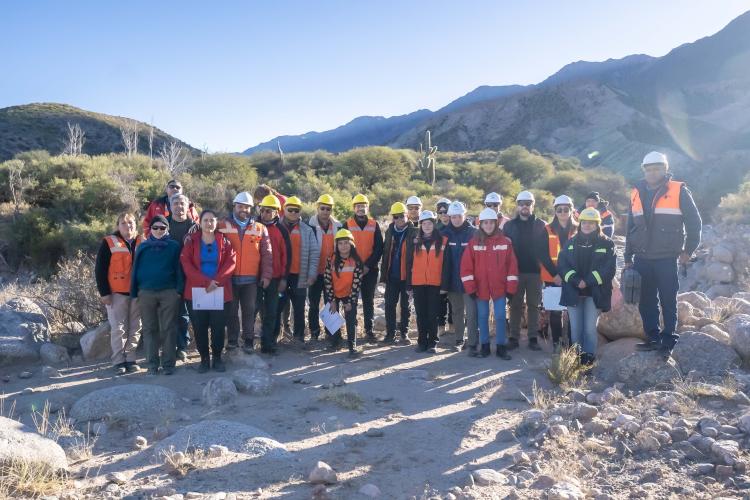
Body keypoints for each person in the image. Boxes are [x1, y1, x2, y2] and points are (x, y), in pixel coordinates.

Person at [625, 151, 702, 358]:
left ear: (665, 168)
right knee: (646, 300)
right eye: (648, 169)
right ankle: (653, 337)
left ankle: (668, 339)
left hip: (667, 257)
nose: (652, 172)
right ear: (644, 170)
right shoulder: (636, 192)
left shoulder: (679, 190)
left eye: (657, 168)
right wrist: (627, 257)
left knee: (668, 298)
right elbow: (630, 227)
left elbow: (695, 223)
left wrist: (688, 250)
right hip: (642, 257)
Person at [557, 208, 616, 366]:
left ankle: (588, 360)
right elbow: (562, 266)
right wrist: (577, 281)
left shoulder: (607, 243)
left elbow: (608, 270)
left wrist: (587, 281)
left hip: (594, 293)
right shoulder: (570, 243)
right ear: (580, 223)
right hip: (573, 292)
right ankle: (575, 359)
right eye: (584, 222)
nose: (587, 225)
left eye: (591, 223)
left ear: (597, 225)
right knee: (575, 330)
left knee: (589, 329)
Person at [181, 210, 237, 372]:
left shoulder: (224, 241)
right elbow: (186, 263)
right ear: (200, 223)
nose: (209, 223)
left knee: (218, 326)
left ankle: (217, 358)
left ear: (216, 222)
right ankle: (204, 359)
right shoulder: (192, 241)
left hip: (219, 291)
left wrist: (216, 281)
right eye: (205, 220)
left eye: (212, 220)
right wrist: (206, 282)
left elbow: (231, 263)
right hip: (197, 292)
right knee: (200, 327)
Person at [460, 208, 519, 359]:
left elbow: (512, 267)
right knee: (483, 316)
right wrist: (471, 288)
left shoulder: (505, 242)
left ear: (496, 223)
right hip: (480, 288)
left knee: (500, 316)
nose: (488, 225)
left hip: (500, 287)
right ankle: (484, 346)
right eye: (485, 223)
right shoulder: (473, 243)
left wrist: (511, 289)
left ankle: (501, 347)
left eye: (491, 223)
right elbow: (466, 268)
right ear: (480, 224)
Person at [131, 215, 184, 375]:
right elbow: (135, 270)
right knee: (149, 329)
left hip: (169, 292)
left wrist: (178, 290)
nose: (159, 230)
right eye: (156, 227)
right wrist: (134, 292)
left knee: (169, 328)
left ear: (167, 229)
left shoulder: (174, 246)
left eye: (162, 228)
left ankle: (168, 365)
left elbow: (179, 269)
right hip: (146, 292)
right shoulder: (143, 247)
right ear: (150, 229)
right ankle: (152, 365)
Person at [220, 192, 272, 353]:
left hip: (251, 280)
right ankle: (233, 340)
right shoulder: (222, 225)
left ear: (251, 208)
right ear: (234, 206)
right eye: (240, 206)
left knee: (249, 311)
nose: (243, 209)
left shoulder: (260, 228)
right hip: (229, 278)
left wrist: (266, 275)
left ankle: (248, 340)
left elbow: (267, 254)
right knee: (231, 312)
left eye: (247, 207)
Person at [503, 191, 553, 351]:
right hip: (514, 272)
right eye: (521, 203)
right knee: (515, 305)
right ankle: (514, 337)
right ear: (517, 205)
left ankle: (533, 338)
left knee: (534, 305)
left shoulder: (542, 225)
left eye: (528, 203)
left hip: (535, 273)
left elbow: (547, 250)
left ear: (533, 205)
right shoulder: (509, 226)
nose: (525, 206)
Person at [95, 212, 143, 375]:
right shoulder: (108, 242)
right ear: (117, 226)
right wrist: (104, 293)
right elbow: (100, 270)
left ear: (135, 225)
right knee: (118, 328)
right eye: (123, 223)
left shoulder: (142, 241)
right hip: (116, 293)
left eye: (131, 223)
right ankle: (118, 361)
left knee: (135, 327)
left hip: (137, 292)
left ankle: (131, 358)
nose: (128, 226)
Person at [406, 211, 451, 354]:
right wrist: (409, 284)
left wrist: (444, 285)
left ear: (434, 224)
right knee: (421, 314)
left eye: (429, 223)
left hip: (435, 283)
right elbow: (408, 263)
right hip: (418, 283)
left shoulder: (443, 241)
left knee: (433, 314)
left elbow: (446, 266)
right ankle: (421, 342)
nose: (426, 226)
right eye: (424, 223)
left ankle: (432, 343)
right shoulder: (414, 241)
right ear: (420, 225)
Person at [277, 196, 319, 344]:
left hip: (299, 275)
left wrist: (312, 274)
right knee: (278, 305)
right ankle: (277, 336)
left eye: (297, 210)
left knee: (299, 308)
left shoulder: (307, 230)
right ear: (284, 210)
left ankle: (298, 337)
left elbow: (314, 253)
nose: (294, 213)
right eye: (290, 210)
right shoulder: (276, 227)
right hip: (281, 276)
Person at [541, 195, 578, 353]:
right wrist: (556, 274)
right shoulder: (547, 229)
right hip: (552, 277)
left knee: (571, 312)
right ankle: (556, 343)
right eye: (559, 209)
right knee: (555, 312)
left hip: (573, 277)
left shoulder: (579, 229)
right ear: (555, 211)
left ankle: (569, 344)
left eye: (566, 209)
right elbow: (542, 254)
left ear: (571, 210)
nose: (563, 212)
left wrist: (570, 275)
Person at [256, 194, 291, 355]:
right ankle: (248, 342)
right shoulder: (253, 226)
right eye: (263, 210)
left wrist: (284, 278)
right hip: (255, 278)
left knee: (272, 311)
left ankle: (268, 344)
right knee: (253, 310)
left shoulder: (281, 230)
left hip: (276, 279)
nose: (265, 214)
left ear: (277, 212)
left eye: (269, 211)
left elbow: (287, 255)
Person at [346, 194, 383, 344]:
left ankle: (369, 330)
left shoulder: (374, 224)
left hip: (370, 270)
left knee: (368, 301)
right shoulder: (347, 224)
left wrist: (367, 266)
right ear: (354, 208)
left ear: (368, 208)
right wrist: (356, 266)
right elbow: (343, 247)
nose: (361, 208)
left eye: (364, 206)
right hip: (351, 270)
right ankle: (352, 330)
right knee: (352, 300)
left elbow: (379, 248)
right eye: (358, 206)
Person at [441, 201, 477, 350]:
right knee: (456, 312)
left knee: (472, 311)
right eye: (453, 217)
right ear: (450, 217)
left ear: (465, 215)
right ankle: (459, 340)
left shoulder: (474, 232)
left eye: (459, 216)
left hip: (470, 281)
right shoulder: (444, 233)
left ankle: (473, 341)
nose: (456, 219)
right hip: (452, 281)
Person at [323, 229, 364, 357]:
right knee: (331, 316)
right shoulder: (331, 259)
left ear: (351, 244)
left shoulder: (356, 261)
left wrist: (351, 302)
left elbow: (356, 284)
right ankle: (335, 342)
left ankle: (352, 346)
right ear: (337, 245)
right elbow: (327, 280)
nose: (343, 246)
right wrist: (332, 300)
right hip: (334, 293)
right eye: (340, 243)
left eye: (346, 243)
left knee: (350, 320)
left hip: (349, 294)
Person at [167, 193, 197, 362]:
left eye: (182, 204)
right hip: (171, 275)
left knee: (193, 312)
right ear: (170, 207)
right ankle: (179, 347)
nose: (179, 207)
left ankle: (190, 345)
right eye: (176, 203)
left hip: (192, 275)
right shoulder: (164, 225)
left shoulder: (195, 227)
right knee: (177, 312)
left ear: (188, 207)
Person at [380, 202, 416, 345]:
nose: (399, 219)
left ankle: (404, 334)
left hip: (407, 276)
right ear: (393, 218)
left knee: (405, 306)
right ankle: (390, 334)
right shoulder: (389, 231)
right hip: (392, 275)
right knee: (389, 305)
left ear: (407, 216)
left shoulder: (414, 231)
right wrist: (383, 274)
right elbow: (385, 253)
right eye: (396, 217)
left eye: (402, 216)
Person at [307, 194, 342, 341]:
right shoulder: (309, 227)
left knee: (332, 303)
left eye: (328, 209)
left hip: (332, 273)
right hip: (315, 272)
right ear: (317, 208)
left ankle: (332, 333)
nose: (325, 211)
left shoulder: (339, 227)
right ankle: (314, 333)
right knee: (313, 304)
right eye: (323, 208)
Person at [435, 197, 452, 335]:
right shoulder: (435, 228)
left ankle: (453, 324)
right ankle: (441, 325)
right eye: (440, 212)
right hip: (439, 266)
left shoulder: (456, 225)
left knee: (453, 297)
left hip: (454, 266)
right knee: (440, 298)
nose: (443, 214)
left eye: (445, 211)